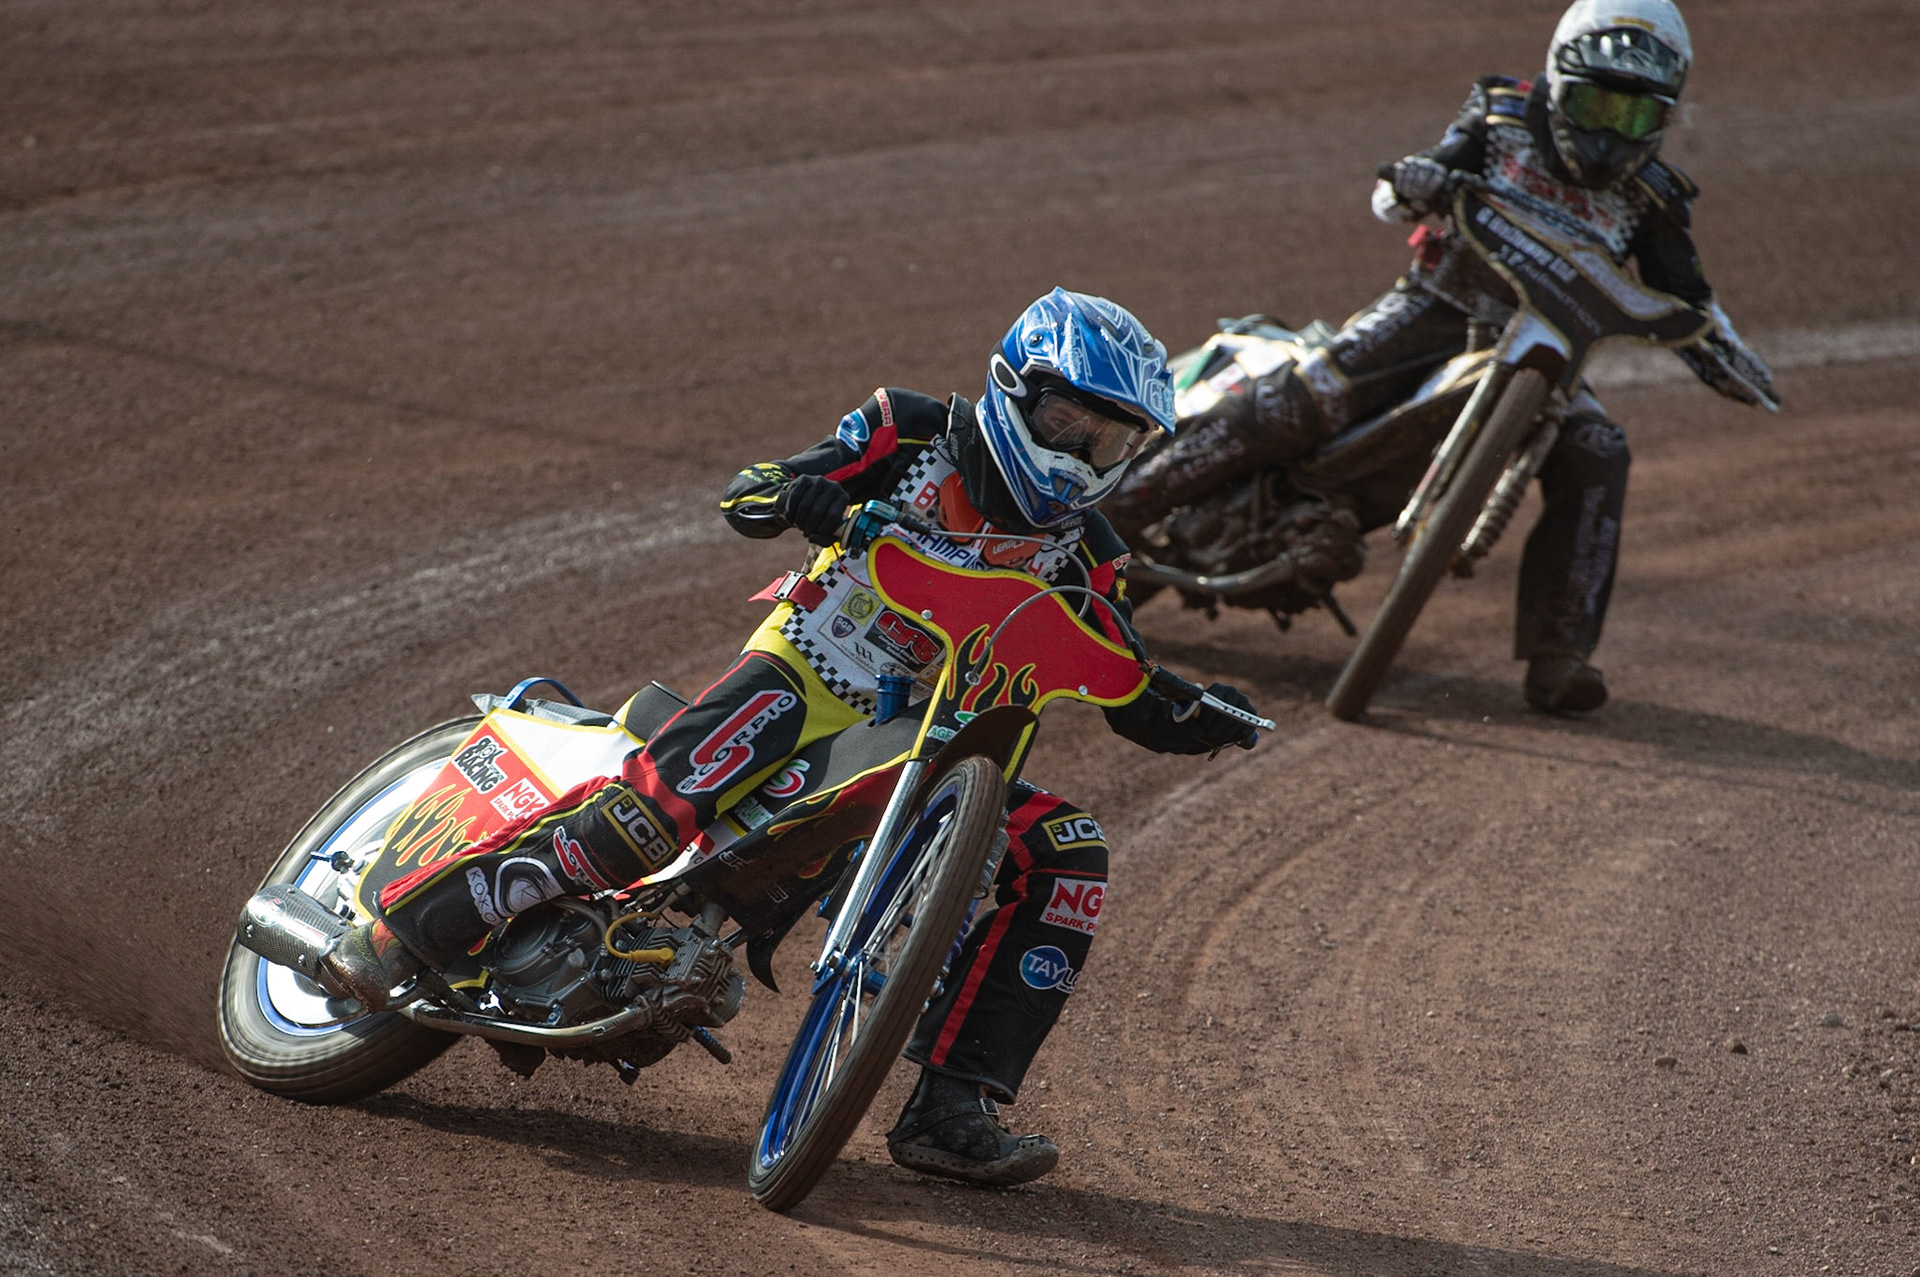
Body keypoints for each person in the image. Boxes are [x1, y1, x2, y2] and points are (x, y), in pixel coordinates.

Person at [319, 288, 1261, 1187]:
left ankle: (949, 1110)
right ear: (1015, 388)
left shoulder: (1093, 556)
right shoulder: (912, 430)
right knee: (654, 813)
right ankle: (406, 927)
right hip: (809, 677)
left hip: (933, 760)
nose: (1084, 453)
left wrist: (1198, 711)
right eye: (1070, 423)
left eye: (1113, 438)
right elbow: (754, 489)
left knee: (1070, 854)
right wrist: (796, 498)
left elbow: (1129, 687)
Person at [1104, 0, 1778, 714]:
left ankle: (1561, 655)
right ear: (1559, 77)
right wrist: (1414, 182)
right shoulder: (1501, 118)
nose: (1611, 130)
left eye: (1635, 114)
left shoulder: (1653, 198)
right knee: (1301, 399)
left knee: (1599, 448)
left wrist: (1721, 351)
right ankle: (1112, 514)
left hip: (1548, 354)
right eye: (1596, 103)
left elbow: (1691, 300)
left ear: (1665, 117)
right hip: (1431, 312)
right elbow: (1403, 187)